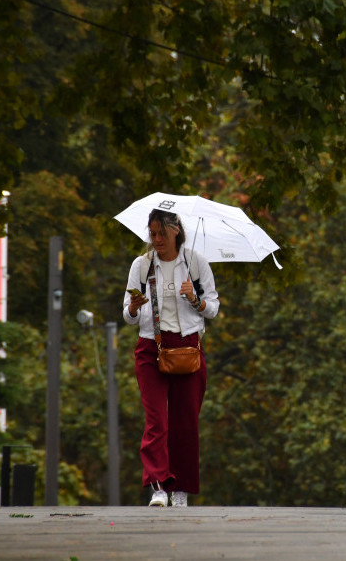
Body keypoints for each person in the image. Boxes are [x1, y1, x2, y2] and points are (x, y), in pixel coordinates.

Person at [122, 208, 219, 507]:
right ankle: (158, 487)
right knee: (156, 421)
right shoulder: (142, 265)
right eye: (152, 234)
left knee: (185, 422)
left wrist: (195, 299)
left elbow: (213, 308)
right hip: (151, 347)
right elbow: (127, 315)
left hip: (188, 348)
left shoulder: (195, 263)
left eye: (161, 233)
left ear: (176, 229)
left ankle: (180, 489)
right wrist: (135, 308)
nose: (156, 240)